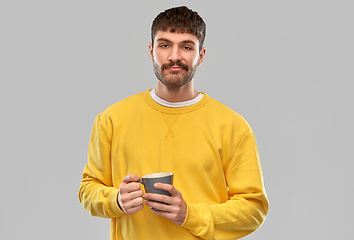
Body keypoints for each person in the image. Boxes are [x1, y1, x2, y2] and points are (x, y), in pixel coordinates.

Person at [79, 6, 268, 240]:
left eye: (186, 47)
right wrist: (116, 199)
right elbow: (88, 189)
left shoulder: (233, 126)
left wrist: (189, 214)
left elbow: (254, 210)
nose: (174, 56)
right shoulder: (112, 119)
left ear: (201, 55)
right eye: (164, 45)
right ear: (151, 51)